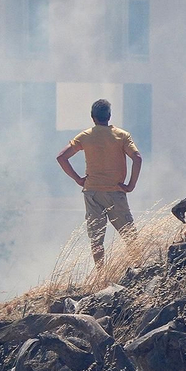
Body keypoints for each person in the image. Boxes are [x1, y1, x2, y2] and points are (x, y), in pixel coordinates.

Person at [56, 99, 141, 268]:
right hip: (116, 192)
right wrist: (130, 185)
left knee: (96, 240)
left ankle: (101, 275)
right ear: (109, 116)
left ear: (92, 117)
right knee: (130, 236)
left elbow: (61, 157)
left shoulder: (85, 136)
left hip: (92, 193)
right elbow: (137, 158)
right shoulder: (122, 136)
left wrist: (78, 179)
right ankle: (138, 268)